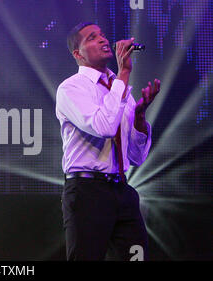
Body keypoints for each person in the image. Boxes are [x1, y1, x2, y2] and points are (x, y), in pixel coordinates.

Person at [55, 22, 160, 261]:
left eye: (102, 35)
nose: (103, 40)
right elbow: (104, 127)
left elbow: (136, 156)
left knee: (137, 258)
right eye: (92, 37)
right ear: (77, 54)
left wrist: (140, 116)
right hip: (86, 193)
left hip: (122, 189)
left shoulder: (118, 88)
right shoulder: (71, 88)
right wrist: (123, 73)